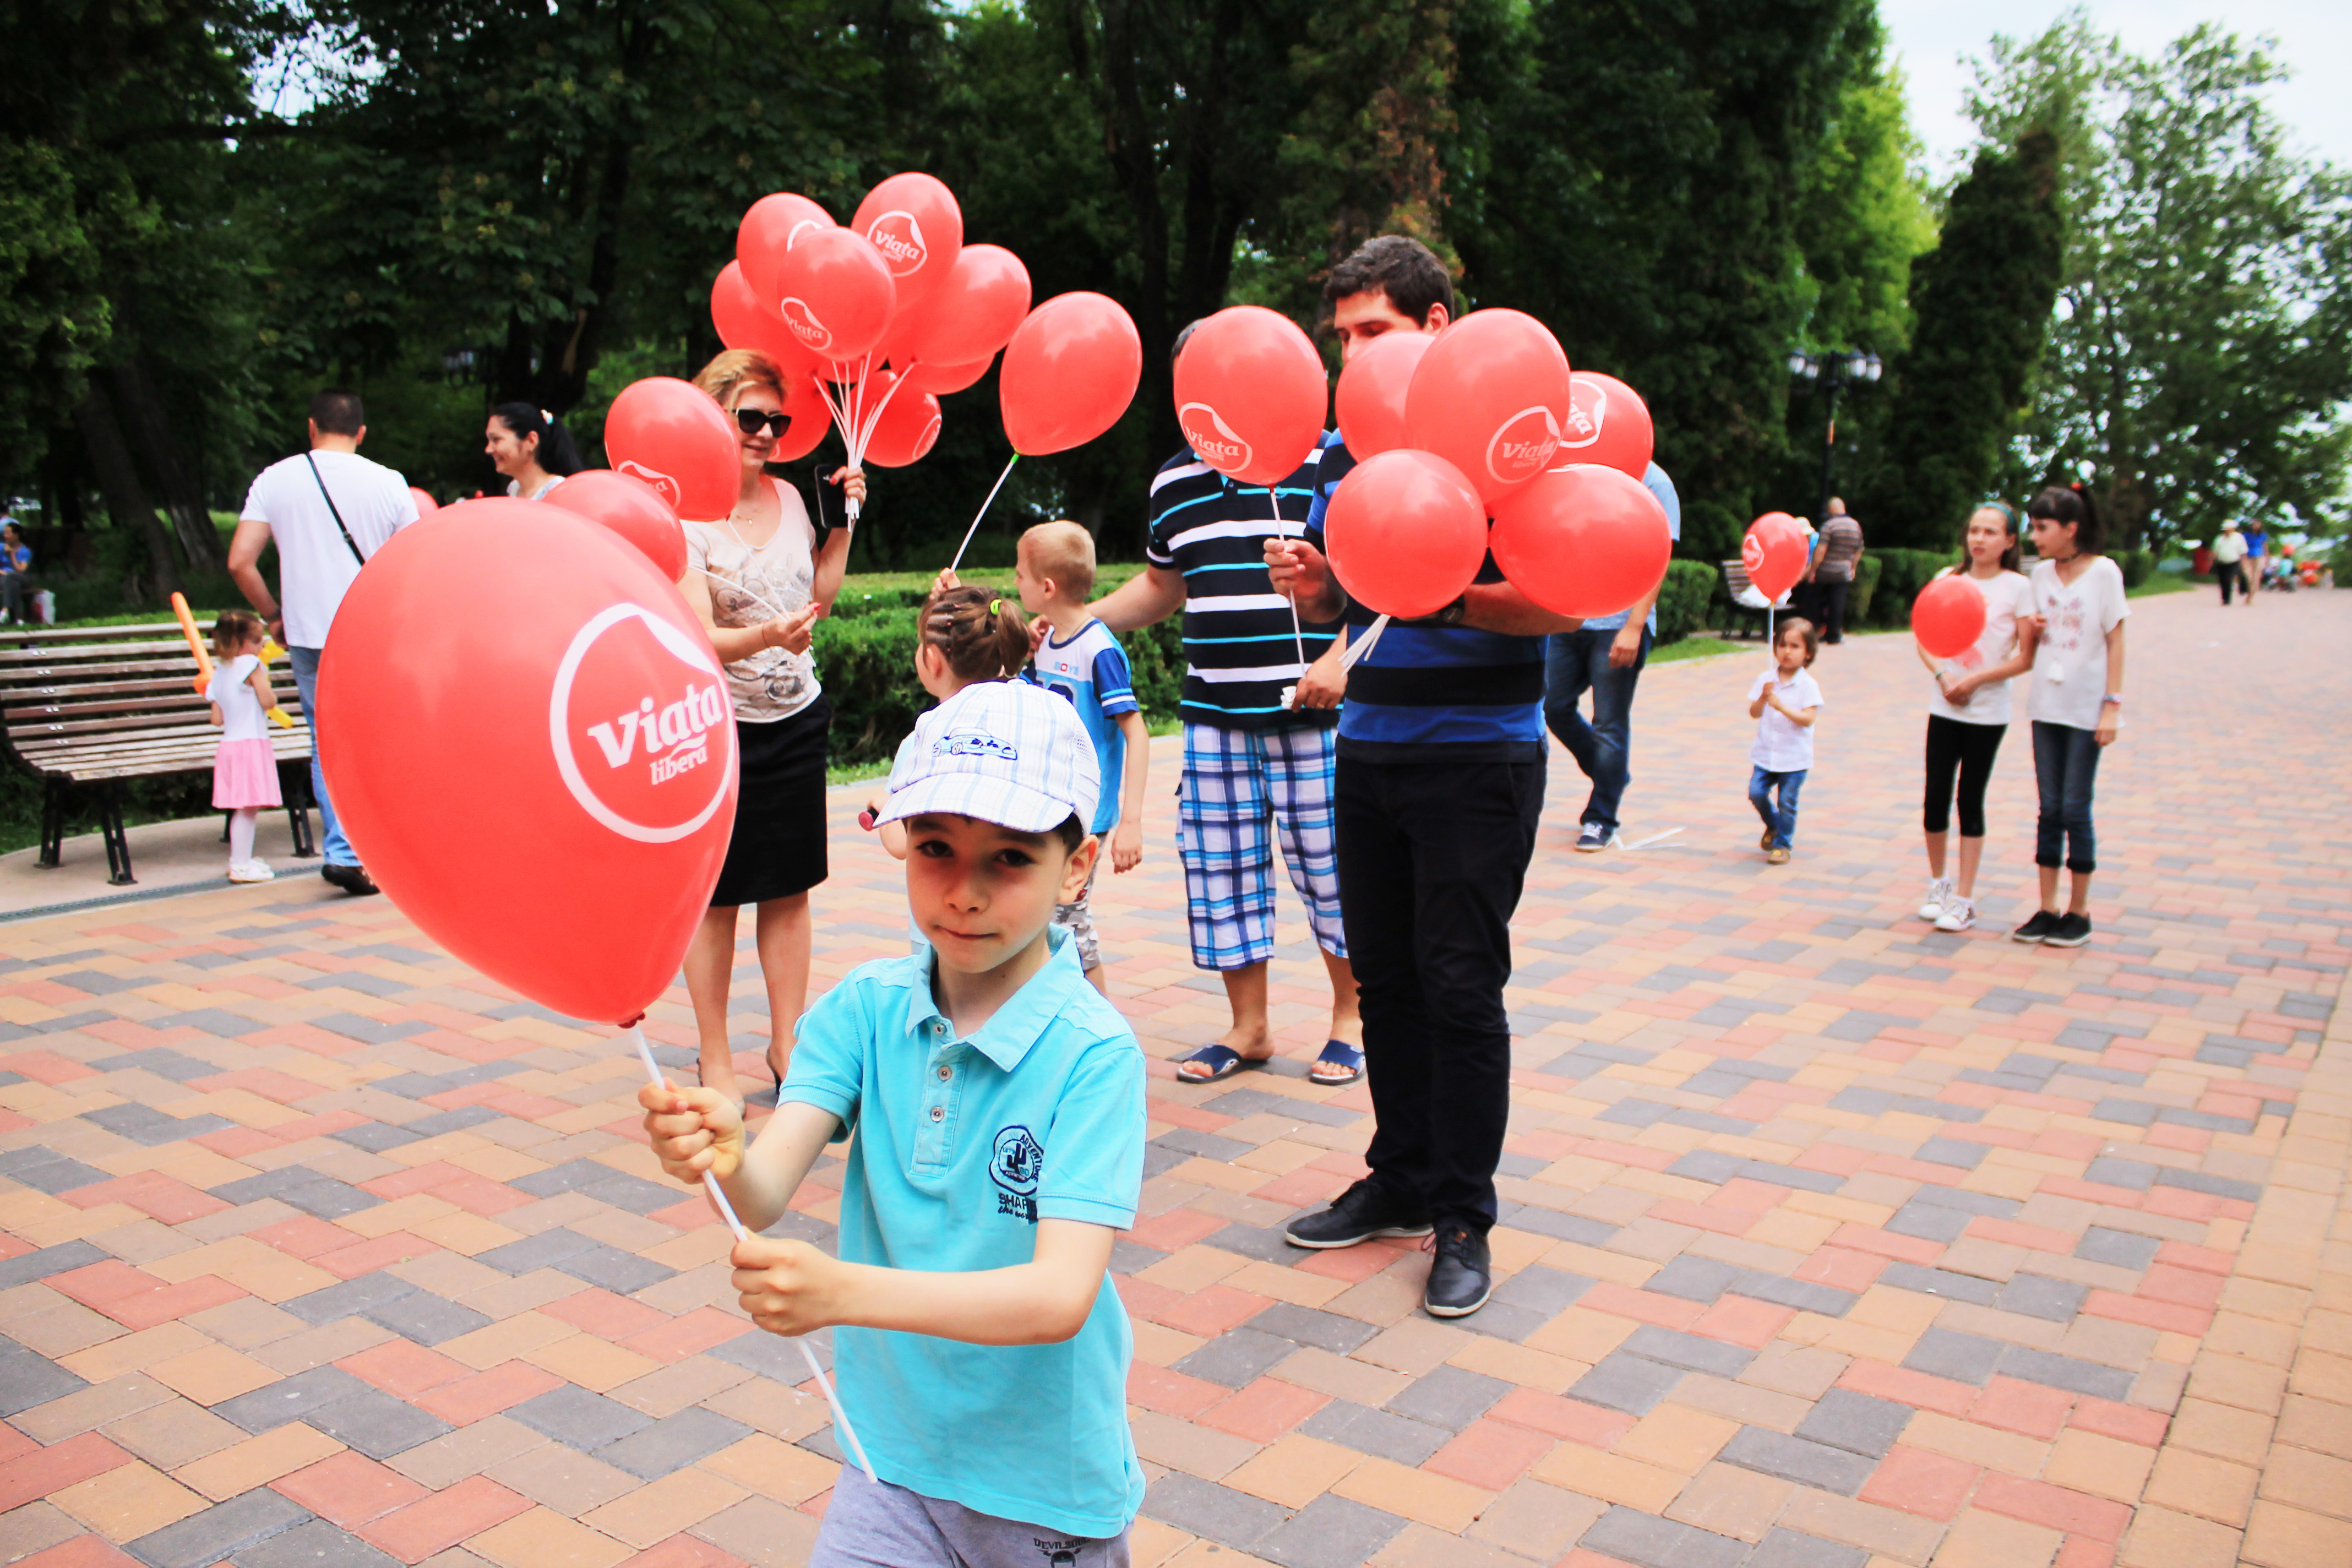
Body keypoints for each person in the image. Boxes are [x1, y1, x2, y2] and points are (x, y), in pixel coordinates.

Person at [638, 679, 1145, 1567]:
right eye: (936, 847)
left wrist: (841, 1294)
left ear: (1077, 863)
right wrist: (722, 1152)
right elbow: (759, 1197)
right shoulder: (863, 1008)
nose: (964, 891)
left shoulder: (1093, 1051)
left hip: (1041, 1484)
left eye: (1011, 857)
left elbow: (1057, 1295)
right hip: (889, 1460)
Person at [1267, 234, 1583, 1318]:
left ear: (1437, 326)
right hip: (1369, 751)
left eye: (1374, 331)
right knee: (1385, 979)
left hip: (1479, 755)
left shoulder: (1509, 440)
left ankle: (1463, 1214)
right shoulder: (1343, 449)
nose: (1351, 352)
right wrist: (1314, 587)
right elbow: (1347, 604)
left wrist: (1447, 591)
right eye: (1342, 334)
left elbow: (1561, 600)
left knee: (1458, 987)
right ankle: (1398, 1176)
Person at [1086, 329, 1362, 1087]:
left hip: (1319, 717)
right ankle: (1251, 1028)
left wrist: (1338, 658)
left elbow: (1375, 579)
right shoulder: (1174, 480)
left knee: (1333, 871)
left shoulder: (1330, 460)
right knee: (1223, 873)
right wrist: (1085, 618)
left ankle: (1350, 1019)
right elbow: (1162, 585)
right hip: (1214, 714)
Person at [677, 350, 867, 1108]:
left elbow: (815, 593)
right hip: (719, 728)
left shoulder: (792, 497)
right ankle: (714, 1051)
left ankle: (789, 1042)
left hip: (794, 717)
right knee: (717, 894)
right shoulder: (686, 514)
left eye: (775, 422)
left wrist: (844, 525)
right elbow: (692, 637)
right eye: (749, 417)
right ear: (713, 415)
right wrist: (766, 639)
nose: (764, 433)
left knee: (790, 887)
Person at [227, 389, 421, 896]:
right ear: (361, 433)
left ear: (311, 427)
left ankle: (343, 851)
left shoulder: (277, 479)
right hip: (375, 632)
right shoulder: (389, 482)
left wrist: (273, 615)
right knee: (378, 738)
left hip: (310, 635)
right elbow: (416, 565)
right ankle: (379, 847)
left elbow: (240, 562)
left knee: (327, 742)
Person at [1020, 522, 1150, 998]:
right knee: (1047, 919)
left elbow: (1136, 731)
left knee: (1067, 921)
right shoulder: (1050, 641)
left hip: (1087, 813)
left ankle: (1099, 1030)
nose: (1016, 582)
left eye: (1020, 574)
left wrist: (1130, 821)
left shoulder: (1098, 649)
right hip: (1052, 803)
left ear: (1047, 587)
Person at [1544, 462, 1681, 851]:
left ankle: (1601, 818)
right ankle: (1611, 775)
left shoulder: (1654, 479)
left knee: (1609, 723)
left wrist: (1634, 626)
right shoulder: (1577, 468)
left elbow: (1658, 557)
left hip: (1619, 623)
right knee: (1553, 706)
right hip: (1570, 619)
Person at [2014, 483, 2126, 948]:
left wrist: (2112, 706)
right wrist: (2034, 629)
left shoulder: (2104, 573)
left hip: (2086, 709)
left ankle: (2080, 912)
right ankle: (2047, 908)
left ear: (2071, 529)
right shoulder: (2039, 575)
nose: (2034, 536)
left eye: (2042, 528)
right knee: (2050, 808)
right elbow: (2029, 640)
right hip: (2047, 705)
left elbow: (2118, 639)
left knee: (2076, 808)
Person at [1915, 505, 2036, 930]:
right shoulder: (1948, 580)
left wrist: (1978, 680)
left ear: (2010, 541)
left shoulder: (2019, 588)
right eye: (1974, 530)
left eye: (1990, 532)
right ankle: (1939, 885)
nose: (1979, 539)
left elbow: (2026, 657)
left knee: (1970, 800)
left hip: (1987, 712)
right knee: (1935, 797)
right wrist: (1945, 676)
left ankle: (1964, 898)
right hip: (1944, 704)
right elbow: (1924, 638)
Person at [863, 579, 1033, 864]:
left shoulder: (921, 742)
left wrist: (886, 807)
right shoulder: (1027, 727)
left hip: (944, 899)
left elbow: (902, 844)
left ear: (932, 660)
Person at [206, 610, 283, 885]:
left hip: (229, 745)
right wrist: (265, 686)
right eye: (257, 640)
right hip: (251, 744)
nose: (262, 645)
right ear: (241, 643)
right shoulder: (251, 664)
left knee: (243, 808)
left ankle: (243, 859)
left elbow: (217, 719)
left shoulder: (219, 670)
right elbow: (268, 701)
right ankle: (239, 865)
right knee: (248, 809)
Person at [1746, 619, 1823, 865]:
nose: (1787, 651)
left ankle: (1783, 844)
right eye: (1782, 645)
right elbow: (1754, 712)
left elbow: (1808, 719)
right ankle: (1774, 825)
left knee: (1787, 801)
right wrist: (1763, 697)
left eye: (1795, 646)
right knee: (1756, 793)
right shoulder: (1766, 679)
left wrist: (1781, 706)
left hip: (1794, 758)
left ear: (1808, 652)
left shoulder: (1808, 685)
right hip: (1766, 754)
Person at [484, 404, 584, 499]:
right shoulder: (515, 488)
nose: (488, 450)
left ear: (531, 441)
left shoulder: (558, 491)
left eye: (496, 439)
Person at [1805, 499, 1865, 643]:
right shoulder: (1855, 526)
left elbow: (1820, 551)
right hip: (1843, 571)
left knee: (1814, 601)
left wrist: (1813, 571)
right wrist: (1852, 568)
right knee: (1837, 603)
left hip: (1825, 571)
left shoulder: (1829, 525)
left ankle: (1813, 633)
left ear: (1830, 510)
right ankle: (1834, 635)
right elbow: (1859, 549)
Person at [0, 521, 31, 624]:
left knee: (12, 578)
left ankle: (5, 610)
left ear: (16, 535)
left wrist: (12, 555)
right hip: (3, 578)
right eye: (5, 533)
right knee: (14, 584)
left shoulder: (24, 550)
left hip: (22, 578)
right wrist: (2, 572)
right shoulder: (1, 547)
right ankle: (18, 619)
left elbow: (22, 570)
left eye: (8, 533)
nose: (5, 536)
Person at [2211, 521, 2247, 605]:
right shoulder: (2219, 539)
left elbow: (2243, 551)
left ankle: (2227, 599)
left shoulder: (2239, 538)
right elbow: (2215, 551)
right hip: (2221, 562)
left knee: (2228, 579)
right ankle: (2224, 598)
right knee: (2222, 581)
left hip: (2233, 562)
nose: (2227, 531)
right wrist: (2212, 560)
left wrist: (2243, 564)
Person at [2240, 519, 2268, 603]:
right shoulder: (2247, 535)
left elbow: (2265, 546)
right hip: (2248, 556)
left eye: (2258, 525)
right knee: (2248, 575)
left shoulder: (2262, 535)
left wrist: (2267, 557)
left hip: (2258, 556)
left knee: (2256, 577)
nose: (2256, 526)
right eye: (2254, 525)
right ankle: (2249, 589)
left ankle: (2250, 597)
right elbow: (2242, 545)